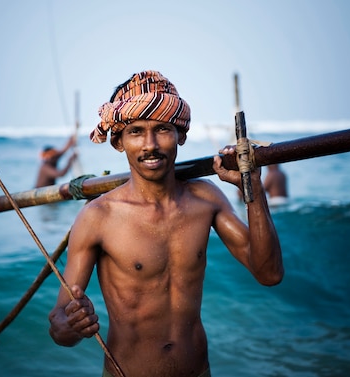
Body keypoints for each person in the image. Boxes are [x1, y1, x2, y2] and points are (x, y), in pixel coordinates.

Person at [48, 70, 283, 377]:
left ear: (180, 136)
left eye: (162, 129)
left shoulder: (206, 199)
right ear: (118, 142)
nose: (150, 145)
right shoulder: (98, 216)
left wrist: (253, 188)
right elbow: (59, 325)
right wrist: (72, 326)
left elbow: (269, 273)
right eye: (135, 132)